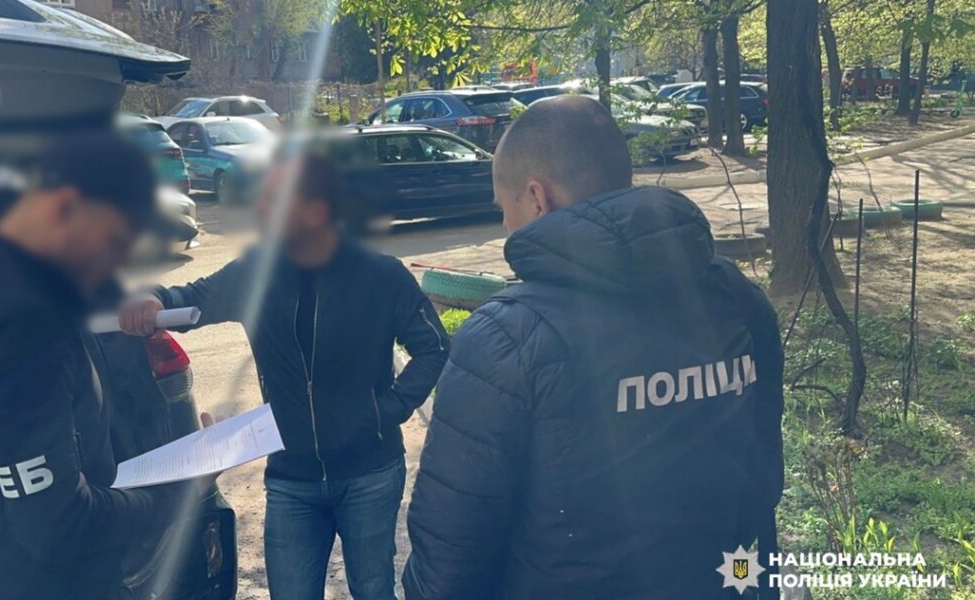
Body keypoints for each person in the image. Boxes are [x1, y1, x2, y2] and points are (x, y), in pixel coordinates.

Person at [403, 95, 785, 599]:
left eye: (503, 207)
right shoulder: (738, 300)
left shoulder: (506, 339)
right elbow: (762, 479)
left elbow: (451, 557)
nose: (505, 225)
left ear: (537, 198)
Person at [119, 150, 449, 600]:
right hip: (291, 479)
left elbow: (434, 347)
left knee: (372, 589)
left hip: (370, 471)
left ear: (317, 210)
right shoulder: (254, 274)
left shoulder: (381, 276)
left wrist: (386, 410)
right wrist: (151, 296)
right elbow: (187, 297)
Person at [0, 133, 193, 600]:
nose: (120, 264)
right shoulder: (18, 324)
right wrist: (180, 494)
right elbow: (60, 527)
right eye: (116, 241)